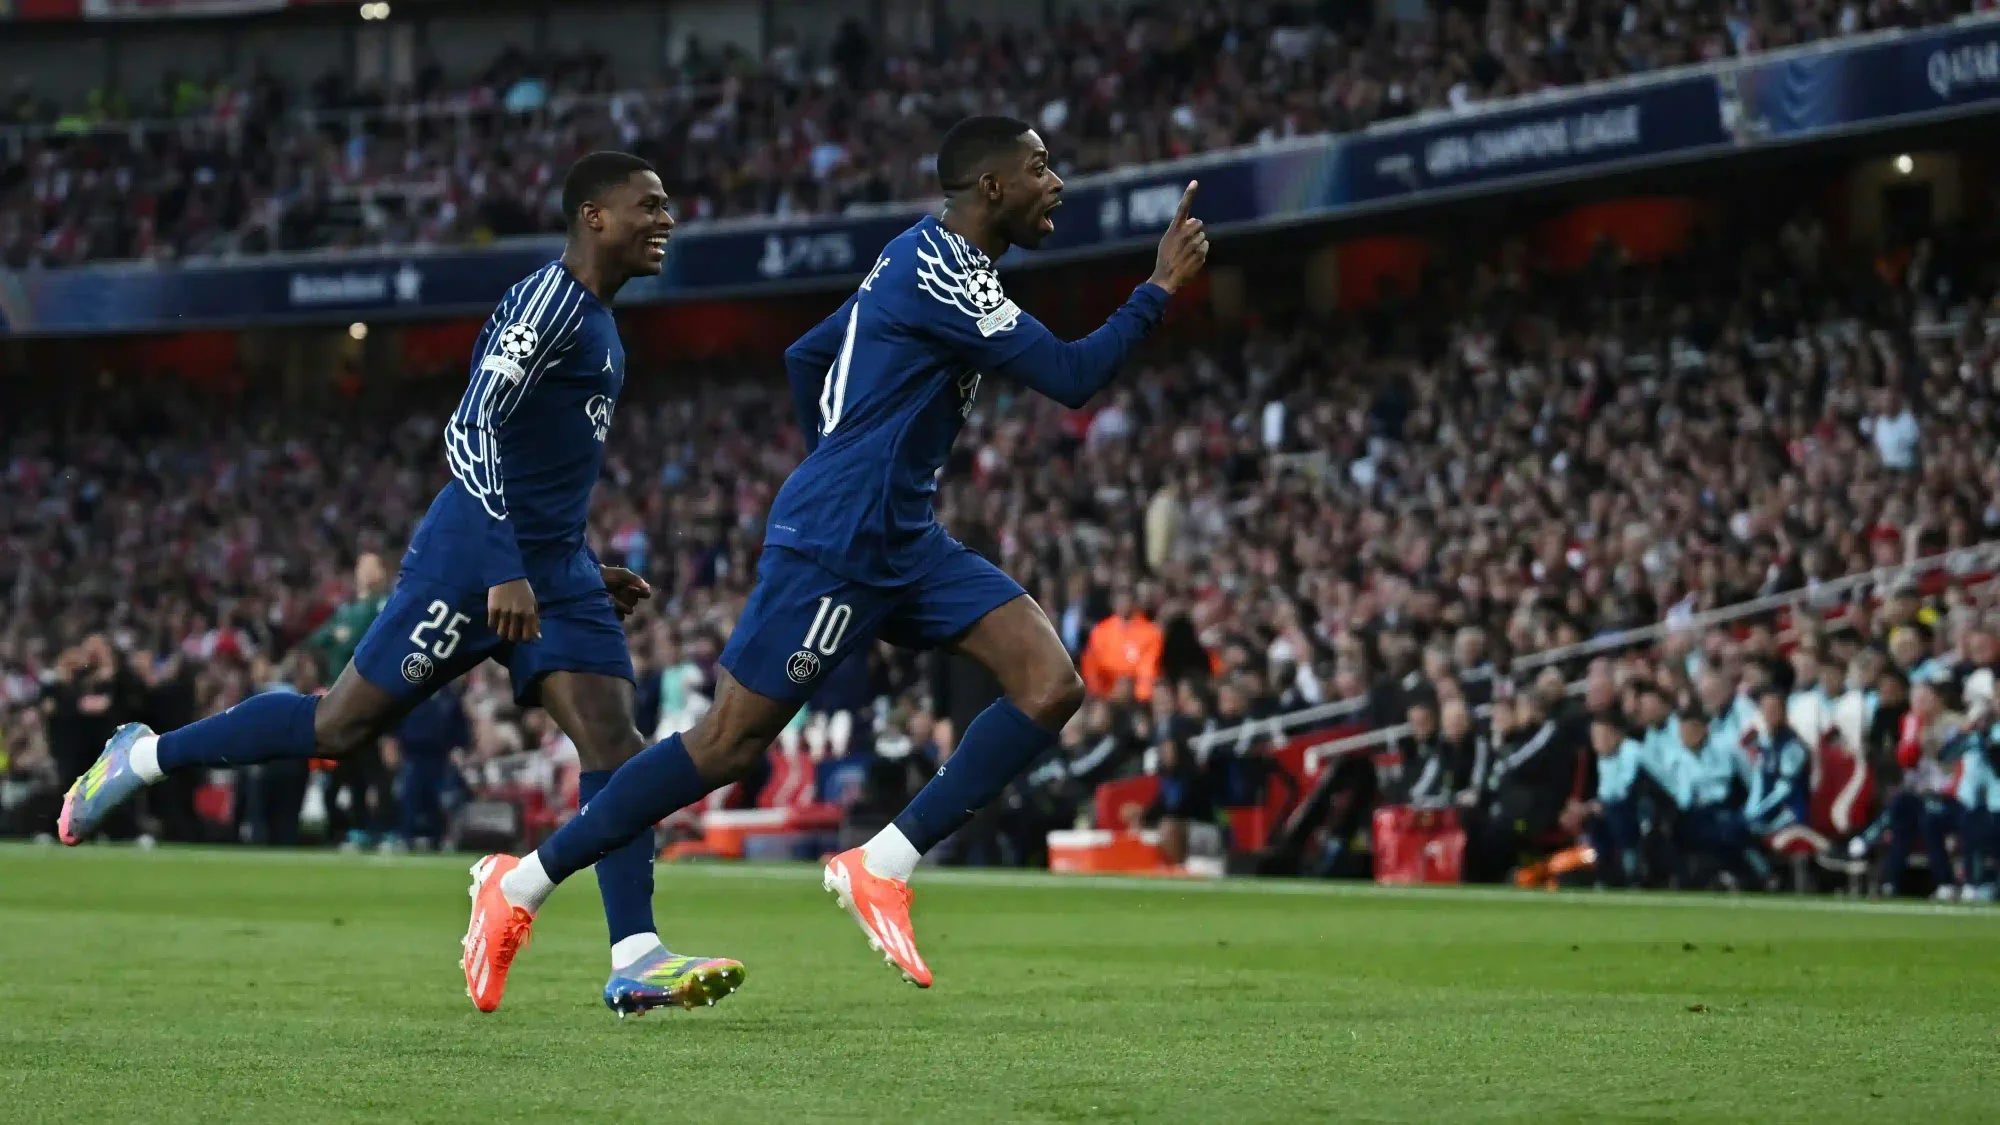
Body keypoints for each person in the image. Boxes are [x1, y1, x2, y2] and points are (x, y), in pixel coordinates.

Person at [464, 114, 1209, 996]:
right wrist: (1158, 287)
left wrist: (845, 447)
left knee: (1050, 681)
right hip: (839, 542)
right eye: (1042, 168)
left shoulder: (922, 256)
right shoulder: (945, 272)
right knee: (725, 744)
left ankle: (882, 863)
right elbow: (1074, 376)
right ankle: (518, 885)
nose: (1059, 183)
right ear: (993, 188)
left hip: (903, 536)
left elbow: (808, 352)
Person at [55, 151, 745, 1018]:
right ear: (593, 217)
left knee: (615, 741)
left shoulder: (603, 323)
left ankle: (635, 954)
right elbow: (471, 427)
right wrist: (505, 566)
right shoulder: (549, 302)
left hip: (551, 565)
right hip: (473, 558)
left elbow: (539, 463)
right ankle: (145, 754)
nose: (666, 219)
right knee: (339, 725)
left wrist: (574, 562)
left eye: (668, 204)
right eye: (647, 205)